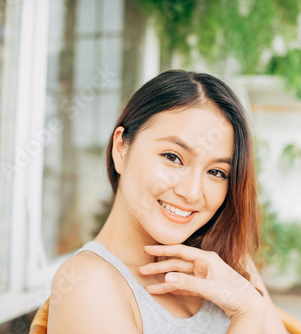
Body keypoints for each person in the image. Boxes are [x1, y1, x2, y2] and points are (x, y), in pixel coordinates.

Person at [47, 69, 288, 333]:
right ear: (121, 148)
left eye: (216, 172)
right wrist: (248, 313)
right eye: (173, 157)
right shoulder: (87, 283)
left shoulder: (228, 263)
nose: (193, 192)